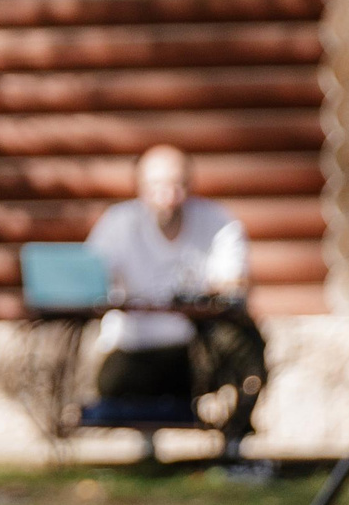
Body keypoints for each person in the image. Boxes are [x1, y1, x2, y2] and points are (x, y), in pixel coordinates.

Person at [85, 144, 265, 459]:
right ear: (140, 187)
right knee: (115, 383)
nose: (168, 195)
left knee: (245, 348)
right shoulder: (118, 223)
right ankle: (150, 446)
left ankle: (234, 440)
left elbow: (234, 284)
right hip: (134, 348)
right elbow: (90, 274)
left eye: (176, 184)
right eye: (157, 185)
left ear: (190, 184)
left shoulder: (217, 223)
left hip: (195, 352)